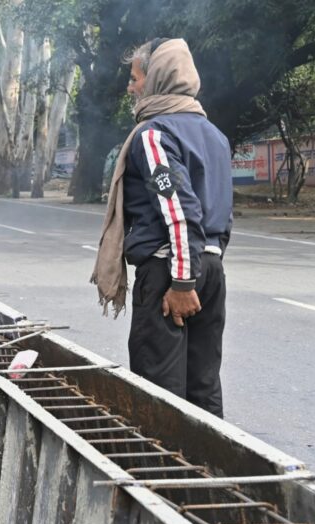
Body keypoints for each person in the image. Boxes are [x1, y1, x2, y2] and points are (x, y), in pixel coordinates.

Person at [91, 38, 232, 418]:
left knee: (158, 390)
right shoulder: (215, 135)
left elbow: (179, 209)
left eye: (135, 78)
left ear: (157, 79)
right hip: (210, 268)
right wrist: (204, 267)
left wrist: (183, 283)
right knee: (204, 385)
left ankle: (164, 460)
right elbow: (223, 212)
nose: (131, 87)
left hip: (170, 272)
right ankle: (211, 456)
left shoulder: (154, 134)